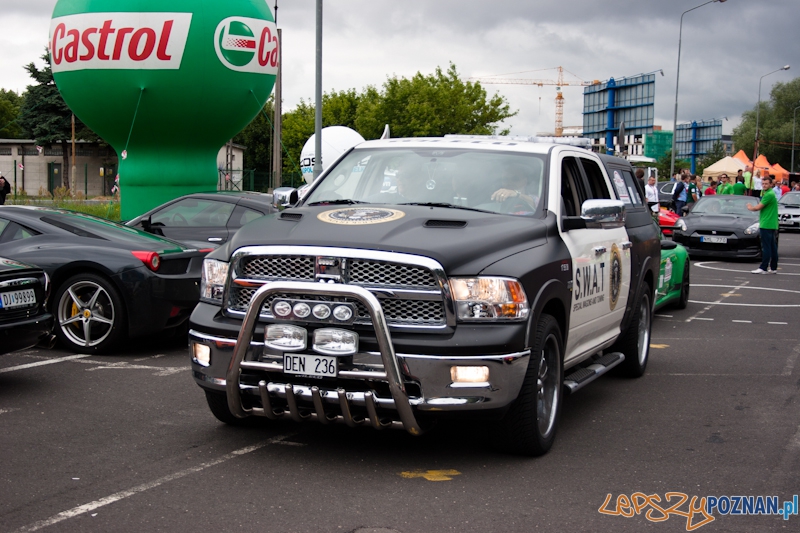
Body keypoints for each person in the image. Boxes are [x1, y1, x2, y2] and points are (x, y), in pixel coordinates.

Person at [747, 175, 779, 274]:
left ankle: (763, 267)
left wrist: (750, 207)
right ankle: (773, 267)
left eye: (766, 184)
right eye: (763, 184)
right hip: (771, 223)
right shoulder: (769, 193)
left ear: (770, 184)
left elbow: (758, 207)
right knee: (772, 246)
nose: (764, 185)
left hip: (766, 223)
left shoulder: (769, 194)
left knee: (766, 247)